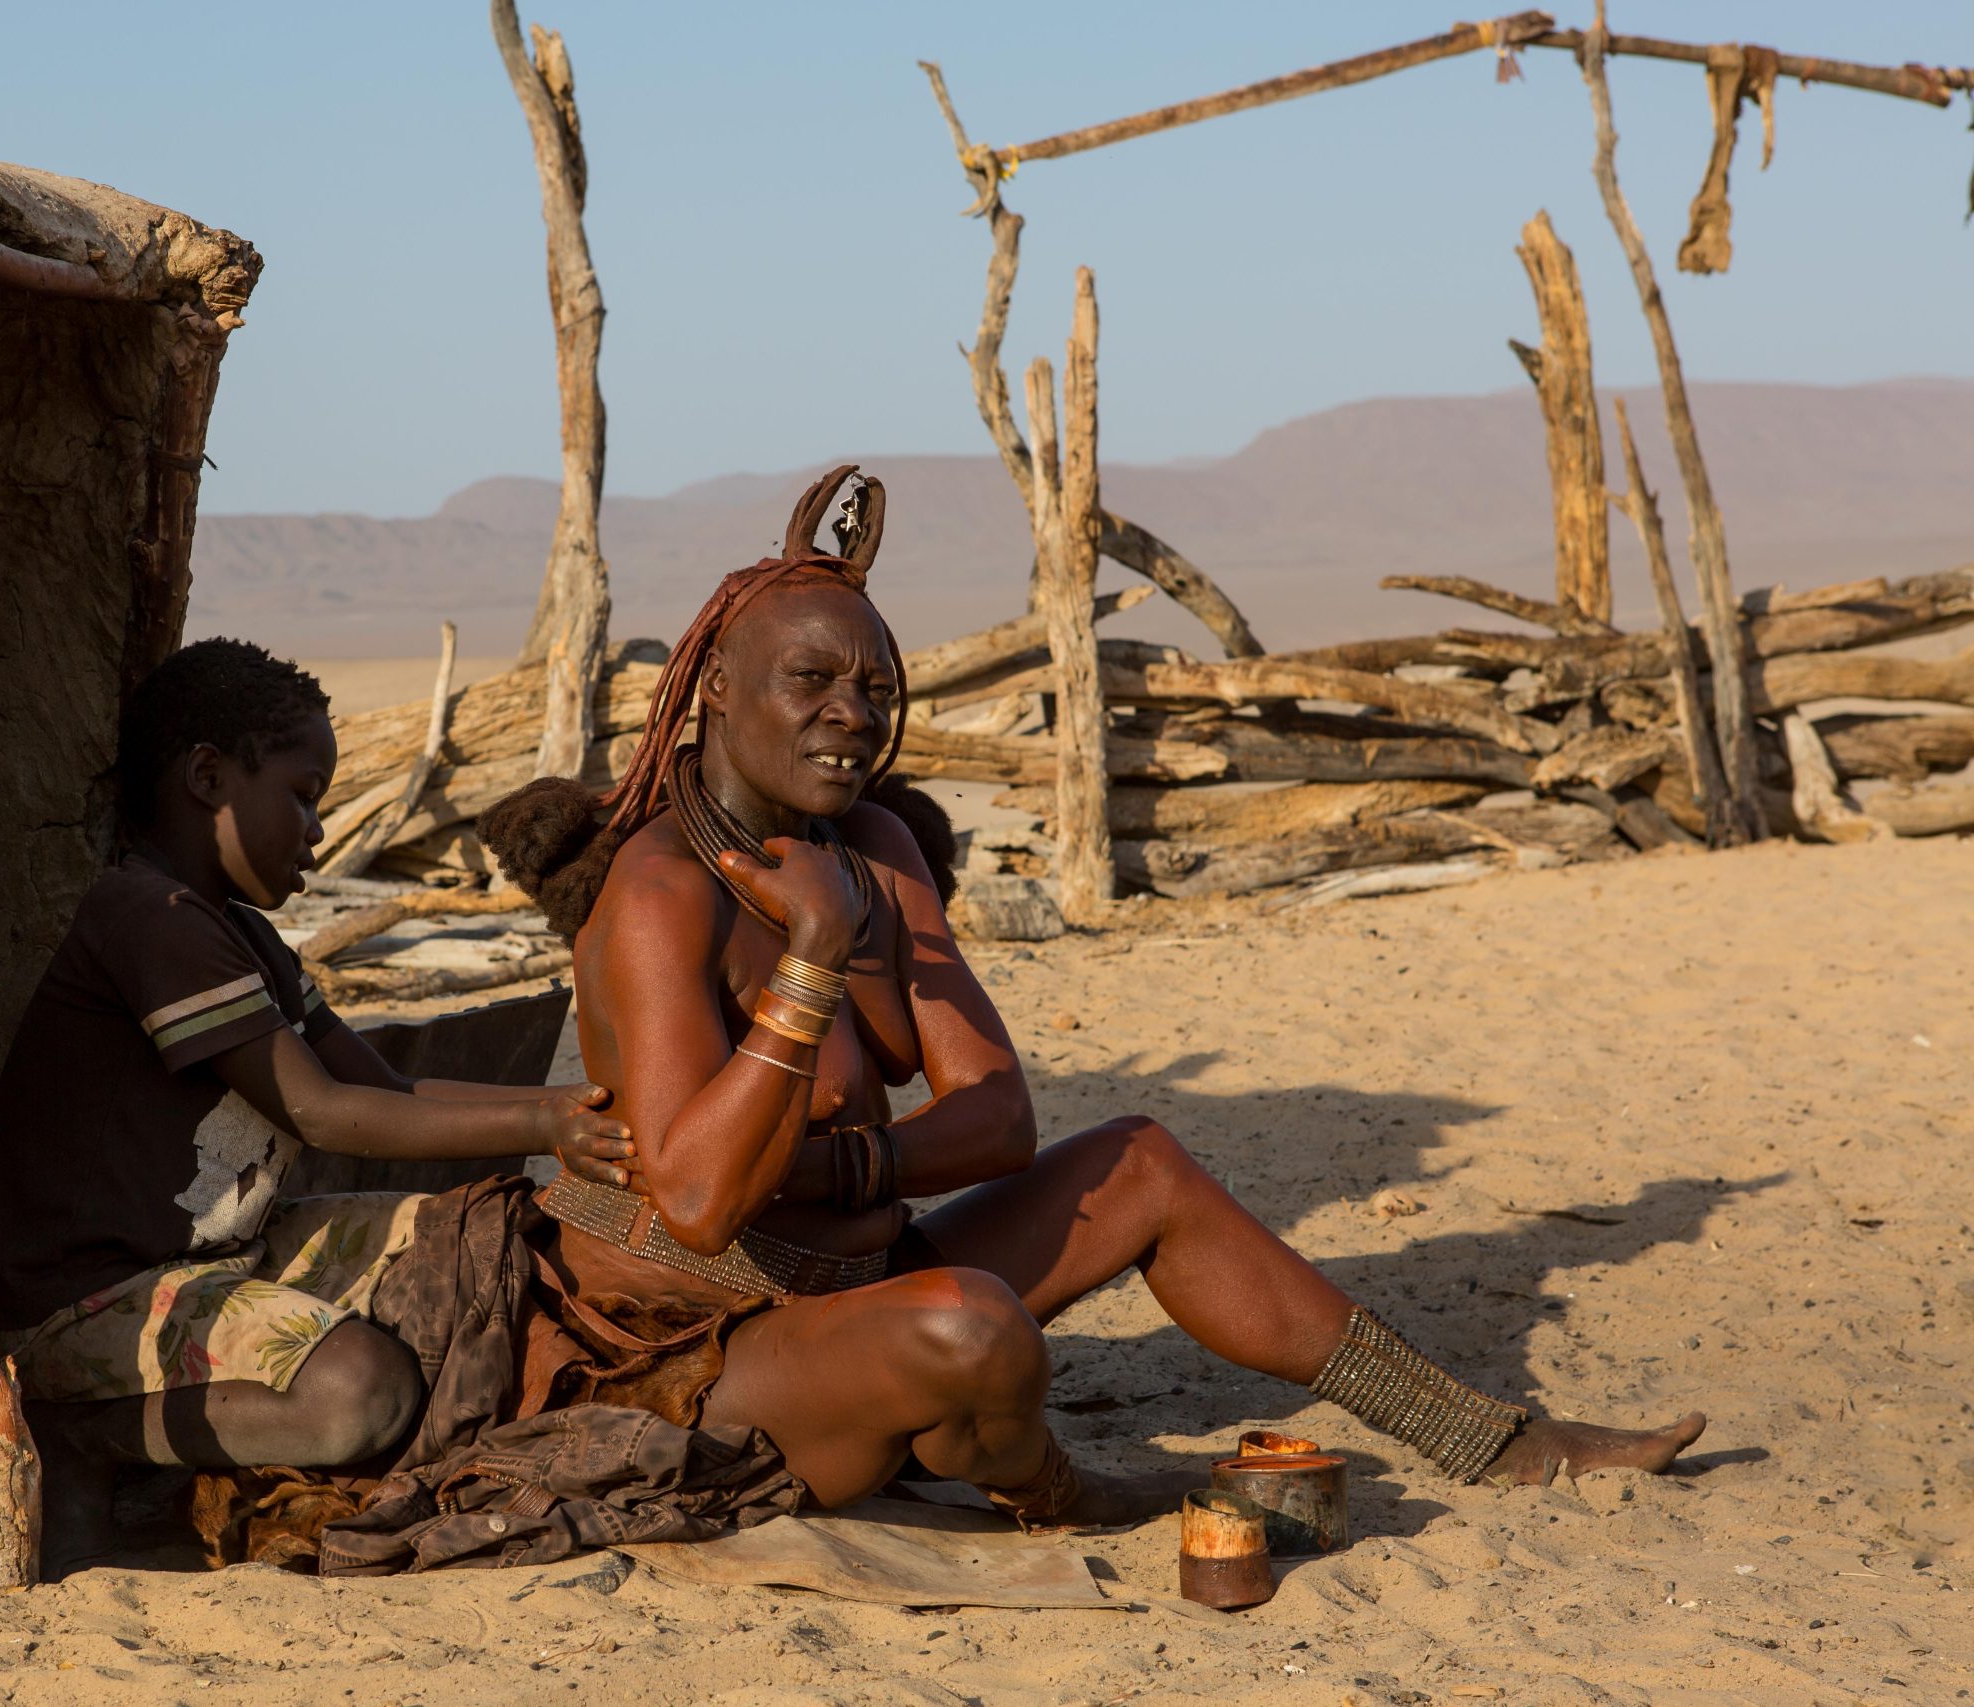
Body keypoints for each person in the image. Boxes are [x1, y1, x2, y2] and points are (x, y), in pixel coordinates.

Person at [475, 466, 1706, 1530]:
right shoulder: (658, 893)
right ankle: (1059, 1495)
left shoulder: (881, 853)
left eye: (876, 692)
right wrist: (810, 960)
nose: (850, 716)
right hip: (702, 1355)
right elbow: (695, 1204)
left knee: (1141, 1164)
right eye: (810, 681)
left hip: (859, 1278)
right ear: (714, 694)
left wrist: (836, 1173)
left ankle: (1485, 1437)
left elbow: (998, 1118)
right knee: (970, 1328)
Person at [0, 638, 635, 1570]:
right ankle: (78, 1430)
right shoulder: (146, 920)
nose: (318, 832)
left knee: (471, 1246)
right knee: (359, 1392)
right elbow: (325, 1112)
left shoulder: (243, 935)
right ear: (208, 775)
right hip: (84, 1304)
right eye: (303, 794)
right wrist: (544, 1124)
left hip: (217, 1257)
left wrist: (569, 1102)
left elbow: (390, 1089)